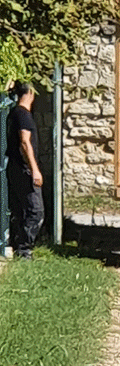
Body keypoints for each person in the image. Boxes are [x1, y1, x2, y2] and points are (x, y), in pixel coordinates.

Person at [6, 81, 44, 259]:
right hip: (24, 169)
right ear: (30, 93)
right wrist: (34, 169)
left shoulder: (14, 113)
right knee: (35, 211)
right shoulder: (24, 115)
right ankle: (24, 249)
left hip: (16, 168)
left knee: (21, 210)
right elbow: (25, 142)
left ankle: (19, 246)